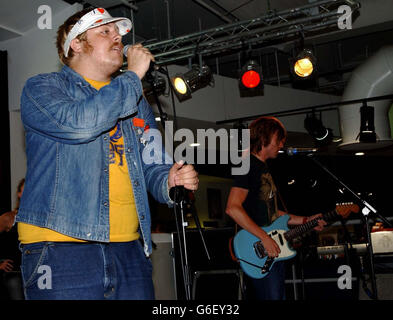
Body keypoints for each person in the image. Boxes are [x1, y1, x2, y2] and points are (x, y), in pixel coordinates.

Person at [16, 7, 198, 300]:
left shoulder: (135, 102)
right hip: (61, 249)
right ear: (75, 43)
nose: (118, 38)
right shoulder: (42, 88)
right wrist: (133, 77)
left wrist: (169, 179)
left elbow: (152, 162)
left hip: (129, 249)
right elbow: (80, 124)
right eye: (105, 31)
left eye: (119, 33)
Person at [225, 116, 326, 300]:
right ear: (266, 137)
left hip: (271, 246)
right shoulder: (246, 164)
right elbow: (232, 207)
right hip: (260, 247)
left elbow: (273, 213)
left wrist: (306, 221)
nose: (281, 144)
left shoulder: (262, 168)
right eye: (279, 139)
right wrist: (264, 238)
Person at [0, 178, 24, 299]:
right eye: (25, 189)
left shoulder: (39, 220)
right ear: (19, 193)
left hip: (36, 274)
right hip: (14, 276)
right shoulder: (9, 218)